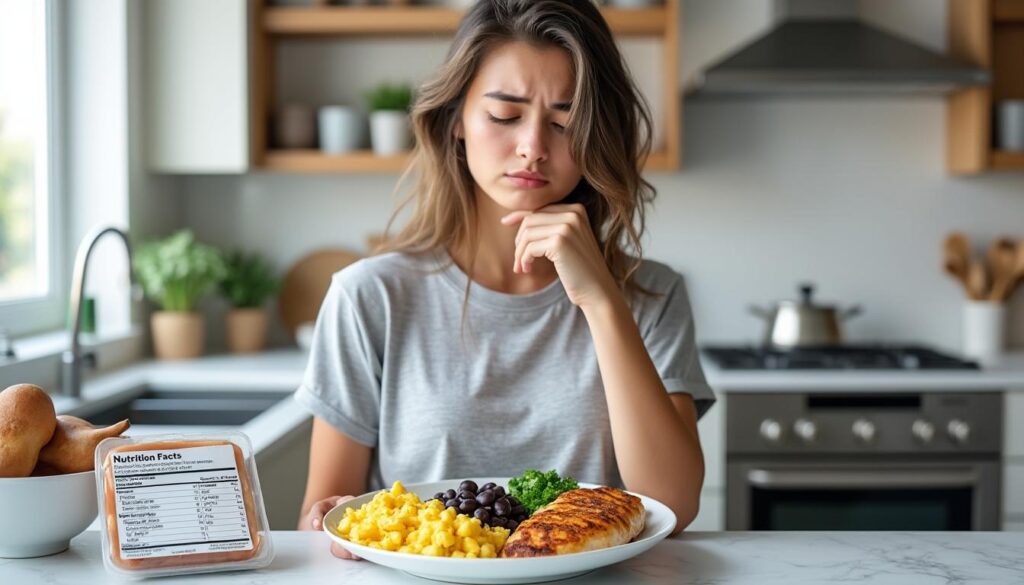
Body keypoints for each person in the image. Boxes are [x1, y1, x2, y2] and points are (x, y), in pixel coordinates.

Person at [295, 0, 715, 558]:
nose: (533, 147)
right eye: (504, 114)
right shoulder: (369, 296)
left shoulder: (651, 295)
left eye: (565, 121)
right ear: (457, 122)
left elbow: (673, 506)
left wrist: (602, 303)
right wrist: (331, 526)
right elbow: (321, 519)